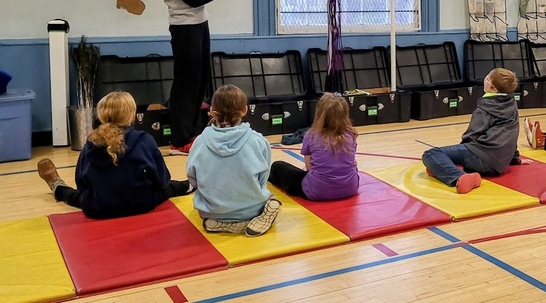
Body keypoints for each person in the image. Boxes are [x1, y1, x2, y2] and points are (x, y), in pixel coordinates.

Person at [155, 0, 242, 155]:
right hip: (184, 28)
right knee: (185, 84)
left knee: (200, 80)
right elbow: (192, 0)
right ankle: (179, 141)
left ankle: (193, 133)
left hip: (200, 25)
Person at [35, 91, 193, 219]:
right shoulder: (144, 140)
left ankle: (56, 184)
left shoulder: (91, 143)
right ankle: (194, 182)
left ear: (102, 115)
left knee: (77, 197)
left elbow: (82, 185)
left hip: (98, 209)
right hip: (141, 204)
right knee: (172, 186)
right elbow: (162, 180)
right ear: (133, 115)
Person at [187, 85, 280, 237]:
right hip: (251, 210)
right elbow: (263, 178)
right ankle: (247, 221)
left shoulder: (200, 142)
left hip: (210, 211)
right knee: (271, 198)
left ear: (212, 110)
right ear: (245, 110)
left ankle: (225, 222)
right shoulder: (258, 140)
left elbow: (192, 178)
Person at [422, 68, 526, 194]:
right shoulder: (511, 103)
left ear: (494, 89)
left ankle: (459, 176)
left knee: (431, 154)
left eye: (487, 79)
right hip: (499, 166)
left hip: (483, 157)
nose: (484, 79)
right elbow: (512, 133)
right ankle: (449, 168)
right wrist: (515, 158)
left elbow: (471, 135)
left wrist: (462, 155)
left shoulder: (486, 106)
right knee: (447, 158)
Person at [269, 94, 359, 201]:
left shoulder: (312, 135)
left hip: (317, 191)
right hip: (350, 188)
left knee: (277, 166)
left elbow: (309, 167)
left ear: (319, 114)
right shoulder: (350, 134)